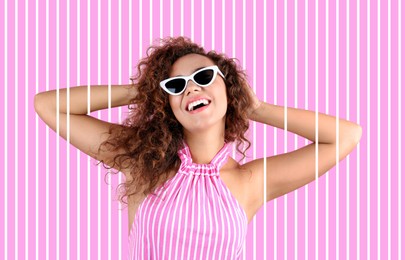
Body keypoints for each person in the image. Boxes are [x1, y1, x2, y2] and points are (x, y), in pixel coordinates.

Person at [34, 37, 362, 259]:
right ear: (168, 103)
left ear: (228, 85)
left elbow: (346, 136)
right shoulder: (141, 162)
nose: (191, 87)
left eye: (203, 76)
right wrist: (142, 90)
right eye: (176, 85)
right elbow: (49, 106)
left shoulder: (252, 180)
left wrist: (256, 107)